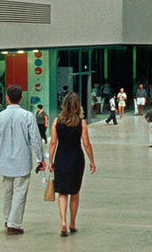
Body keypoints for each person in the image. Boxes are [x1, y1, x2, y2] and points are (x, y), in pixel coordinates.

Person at [0, 85, 46, 235]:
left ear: (7, 98)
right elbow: (35, 139)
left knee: (7, 191)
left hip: (5, 161)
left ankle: (8, 219)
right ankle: (14, 224)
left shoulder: (0, 116)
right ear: (21, 98)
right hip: (22, 161)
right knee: (20, 192)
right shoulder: (27, 116)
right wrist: (40, 158)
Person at [49, 92, 96, 237]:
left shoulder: (57, 121)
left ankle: (63, 221)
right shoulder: (81, 122)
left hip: (61, 157)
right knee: (74, 192)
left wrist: (50, 161)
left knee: (62, 192)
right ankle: (72, 223)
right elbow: (86, 144)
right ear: (77, 105)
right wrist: (92, 161)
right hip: (76, 158)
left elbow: (52, 143)